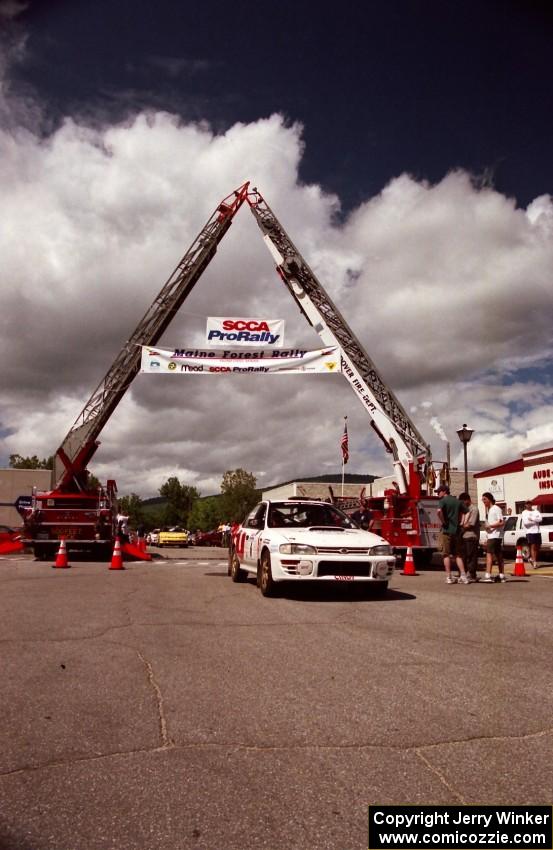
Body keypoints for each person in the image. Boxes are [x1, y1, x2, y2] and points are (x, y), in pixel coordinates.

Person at [436, 484, 469, 584]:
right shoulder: (457, 501)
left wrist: (443, 521)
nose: (438, 493)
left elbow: (438, 511)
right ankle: (463, 576)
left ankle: (449, 577)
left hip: (446, 531)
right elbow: (467, 512)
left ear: (444, 491)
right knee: (458, 555)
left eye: (439, 491)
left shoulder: (442, 501)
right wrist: (463, 522)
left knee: (446, 555)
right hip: (457, 531)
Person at [481, 491, 505, 582]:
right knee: (498, 555)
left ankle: (488, 575)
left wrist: (490, 526)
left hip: (495, 535)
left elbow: (501, 522)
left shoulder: (496, 508)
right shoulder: (490, 510)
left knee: (489, 554)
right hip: (492, 535)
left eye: (485, 499)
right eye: (482, 500)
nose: (483, 501)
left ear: (490, 499)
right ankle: (501, 575)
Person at [459, 492, 480, 581]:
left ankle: (472, 574)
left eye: (463, 502)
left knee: (471, 556)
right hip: (464, 536)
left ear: (467, 500)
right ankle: (464, 573)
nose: (462, 504)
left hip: (471, 536)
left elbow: (470, 524)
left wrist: (461, 527)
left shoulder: (474, 509)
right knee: (463, 556)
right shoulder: (465, 510)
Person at [521, 500, 542, 567]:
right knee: (533, 546)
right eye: (527, 504)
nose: (529, 505)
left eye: (530, 503)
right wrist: (535, 520)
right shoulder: (524, 512)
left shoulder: (536, 511)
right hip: (530, 532)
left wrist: (532, 519)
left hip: (537, 531)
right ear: (525, 505)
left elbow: (540, 519)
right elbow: (526, 523)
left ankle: (531, 558)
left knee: (538, 547)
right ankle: (534, 562)